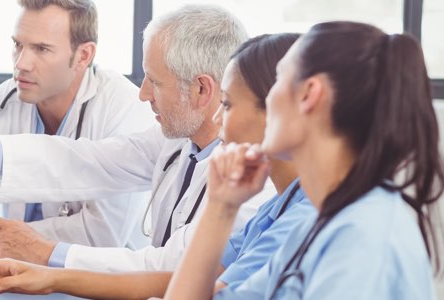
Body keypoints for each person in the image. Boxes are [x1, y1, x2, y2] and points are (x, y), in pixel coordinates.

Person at [0, 4, 272, 272]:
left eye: (155, 81)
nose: (143, 93)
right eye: (18, 45)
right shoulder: (173, 142)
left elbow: (165, 265)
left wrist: (44, 253)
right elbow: (83, 161)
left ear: (202, 90)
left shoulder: (253, 178)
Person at [0, 33, 320, 300]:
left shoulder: (302, 218)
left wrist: (50, 260)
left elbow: (186, 283)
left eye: (227, 104)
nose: (217, 118)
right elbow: (187, 281)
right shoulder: (278, 208)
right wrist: (50, 276)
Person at [165, 21, 443, 299]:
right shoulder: (316, 225)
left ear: (309, 94)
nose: (269, 96)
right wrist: (221, 206)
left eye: (278, 79)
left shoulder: (362, 238)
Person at [0, 0, 153, 261]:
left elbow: (102, 235)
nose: (22, 63)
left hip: (98, 280)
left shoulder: (124, 107)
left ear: (83, 55)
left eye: (41, 49)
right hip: (12, 271)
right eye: (17, 45)